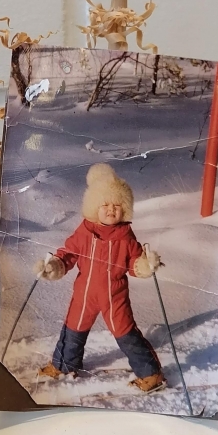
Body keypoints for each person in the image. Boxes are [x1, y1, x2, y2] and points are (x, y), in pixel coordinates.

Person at [35, 163, 167, 392]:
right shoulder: (85, 231)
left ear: (125, 210)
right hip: (85, 292)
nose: (110, 210)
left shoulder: (126, 237)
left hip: (114, 295)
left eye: (117, 205)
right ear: (94, 207)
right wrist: (54, 266)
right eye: (105, 205)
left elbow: (134, 263)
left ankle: (151, 374)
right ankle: (64, 366)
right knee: (73, 329)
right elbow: (68, 254)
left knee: (125, 333)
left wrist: (146, 265)